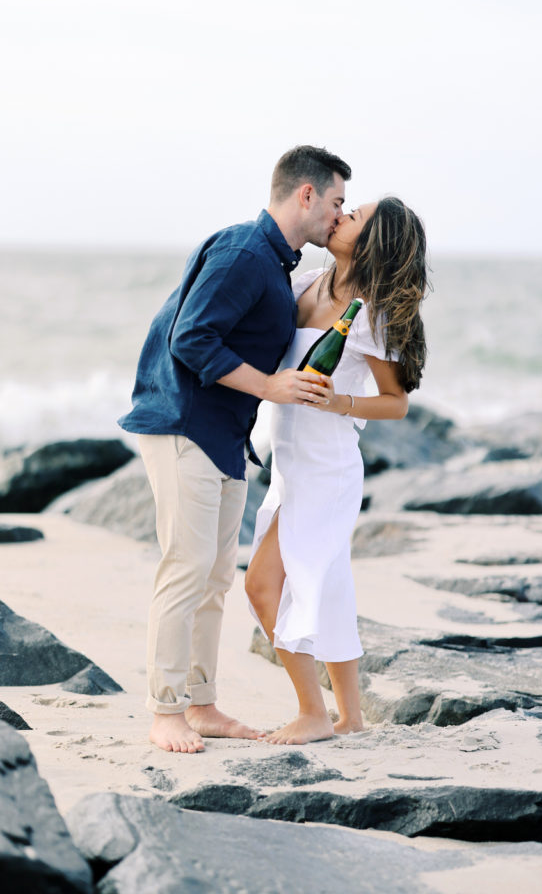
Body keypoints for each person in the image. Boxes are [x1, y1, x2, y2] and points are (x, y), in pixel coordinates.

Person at [118, 145, 352, 753]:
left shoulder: (276, 264)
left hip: (224, 438)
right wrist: (272, 386)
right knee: (187, 569)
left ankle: (201, 704)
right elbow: (190, 337)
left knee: (218, 577)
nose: (337, 215)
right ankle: (164, 711)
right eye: (335, 202)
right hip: (183, 425)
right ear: (306, 194)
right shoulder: (245, 252)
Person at [245, 196, 428, 744]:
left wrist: (339, 404)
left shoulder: (371, 315)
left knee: (261, 585)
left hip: (326, 468)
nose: (339, 218)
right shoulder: (311, 283)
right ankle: (350, 715)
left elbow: (396, 402)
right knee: (330, 587)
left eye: (354, 217)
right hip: (289, 463)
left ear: (373, 241)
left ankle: (312, 712)